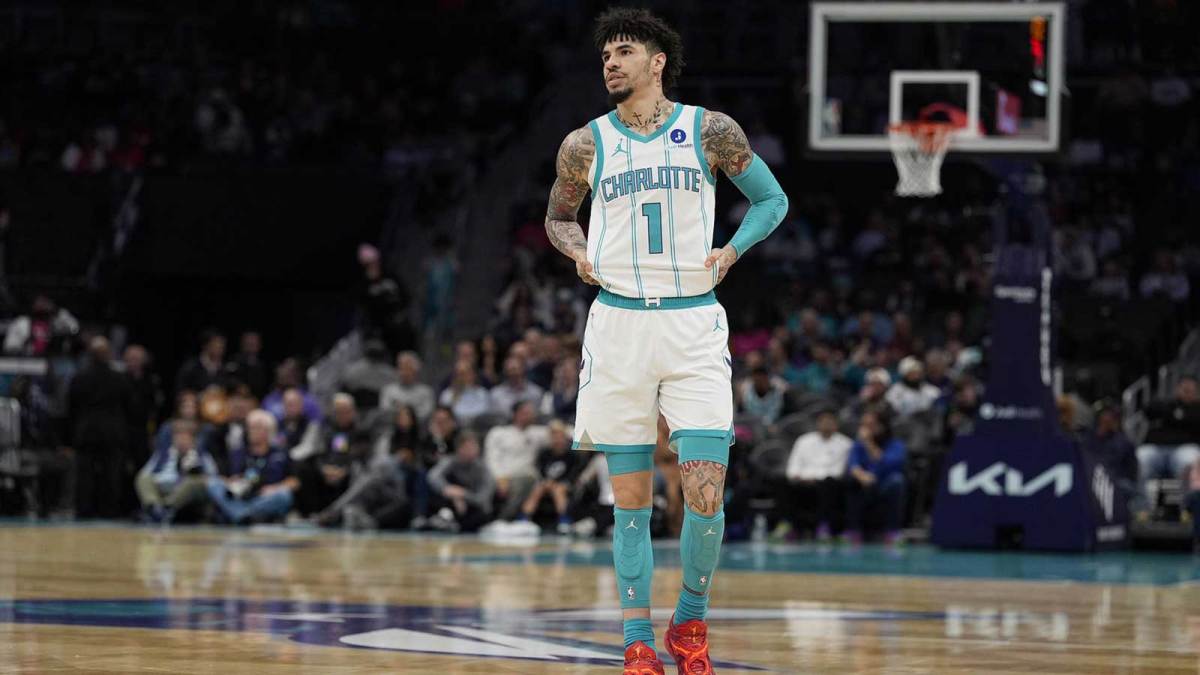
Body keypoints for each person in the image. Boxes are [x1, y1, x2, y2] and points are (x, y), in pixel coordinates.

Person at [543, 8, 788, 673]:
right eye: (603, 57)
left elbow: (772, 200)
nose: (610, 64)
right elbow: (559, 217)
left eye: (623, 52)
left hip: (691, 321)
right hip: (618, 323)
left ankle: (689, 620)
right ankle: (636, 641)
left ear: (657, 62)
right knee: (630, 500)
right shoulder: (584, 145)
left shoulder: (709, 129)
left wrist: (733, 249)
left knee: (706, 491)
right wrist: (578, 251)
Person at [66, 337, 136, 519]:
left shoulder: (79, 378)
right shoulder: (120, 379)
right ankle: (110, 510)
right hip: (113, 432)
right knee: (111, 474)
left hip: (86, 431)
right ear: (109, 355)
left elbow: (71, 408)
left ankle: (84, 510)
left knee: (85, 475)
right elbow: (130, 407)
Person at [206, 410, 298, 524]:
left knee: (284, 495)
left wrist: (275, 488)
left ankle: (240, 515)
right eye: (250, 428)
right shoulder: (237, 453)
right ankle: (243, 515)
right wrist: (231, 482)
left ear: (268, 431)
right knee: (213, 484)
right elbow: (222, 478)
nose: (252, 432)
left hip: (264, 498)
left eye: (257, 428)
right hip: (240, 498)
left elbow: (294, 482)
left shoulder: (281, 453)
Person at [774, 409, 852, 541]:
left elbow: (839, 470)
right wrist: (797, 476)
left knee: (829, 483)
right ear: (817, 424)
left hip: (826, 482)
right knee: (781, 482)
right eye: (823, 422)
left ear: (836, 425)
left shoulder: (845, 444)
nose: (826, 425)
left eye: (830, 422)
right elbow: (794, 464)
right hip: (802, 480)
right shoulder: (804, 440)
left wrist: (815, 478)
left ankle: (823, 526)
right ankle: (787, 525)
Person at [843, 410, 907, 545]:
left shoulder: (895, 445)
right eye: (864, 425)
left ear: (882, 426)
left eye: (870, 425)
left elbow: (887, 464)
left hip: (884, 484)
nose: (866, 429)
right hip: (864, 483)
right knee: (850, 480)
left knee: (897, 481)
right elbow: (853, 464)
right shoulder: (858, 444)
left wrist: (869, 443)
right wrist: (861, 475)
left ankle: (892, 531)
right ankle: (854, 530)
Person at [135, 420, 217, 523]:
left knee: (191, 482)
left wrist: (196, 470)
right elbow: (146, 472)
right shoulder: (162, 454)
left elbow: (213, 478)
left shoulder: (202, 455)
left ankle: (165, 508)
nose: (181, 440)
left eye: (185, 436)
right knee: (143, 478)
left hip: (186, 490)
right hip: (164, 484)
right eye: (177, 436)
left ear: (192, 439)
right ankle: (155, 507)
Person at [1138, 376, 1200, 508]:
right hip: (1156, 449)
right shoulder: (1167, 404)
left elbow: (1193, 420)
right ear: (1177, 389)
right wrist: (1175, 413)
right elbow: (1148, 410)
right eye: (1184, 389)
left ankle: (1188, 509)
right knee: (1141, 458)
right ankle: (1141, 508)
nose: (1187, 392)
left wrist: (1177, 415)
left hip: (1185, 448)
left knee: (1189, 462)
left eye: (1190, 390)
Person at [483, 401, 549, 521]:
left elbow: (564, 431)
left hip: (528, 477)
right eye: (526, 413)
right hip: (502, 476)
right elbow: (491, 458)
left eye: (531, 413)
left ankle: (515, 519)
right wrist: (500, 478)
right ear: (516, 414)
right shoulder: (498, 432)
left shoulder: (537, 433)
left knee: (530, 480)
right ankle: (502, 519)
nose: (531, 416)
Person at [516, 420, 584, 534]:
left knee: (558, 490)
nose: (557, 439)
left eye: (559, 436)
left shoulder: (573, 455)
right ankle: (524, 518)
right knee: (538, 488)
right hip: (547, 483)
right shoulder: (544, 453)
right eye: (554, 436)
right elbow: (541, 471)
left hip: (566, 484)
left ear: (564, 437)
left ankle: (564, 520)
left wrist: (560, 483)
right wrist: (547, 482)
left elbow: (574, 474)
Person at [425, 431, 495, 533]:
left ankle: (453, 525)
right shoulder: (450, 461)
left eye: (474, 447)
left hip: (473, 506)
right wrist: (448, 489)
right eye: (467, 447)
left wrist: (463, 494)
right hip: (453, 503)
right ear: (459, 449)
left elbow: (483, 498)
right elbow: (432, 476)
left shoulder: (483, 468)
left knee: (482, 515)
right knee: (435, 496)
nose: (471, 451)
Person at [379, 351, 436, 422]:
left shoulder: (426, 392)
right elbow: (385, 412)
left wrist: (405, 412)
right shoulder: (388, 390)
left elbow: (427, 415)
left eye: (408, 368)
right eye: (401, 368)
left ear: (416, 371)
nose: (404, 373)